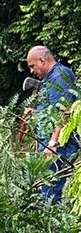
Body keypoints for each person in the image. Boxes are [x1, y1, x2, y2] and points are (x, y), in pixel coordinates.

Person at [26, 45, 79, 204]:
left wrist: (53, 142)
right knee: (46, 183)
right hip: (49, 142)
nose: (31, 71)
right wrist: (34, 113)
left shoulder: (60, 76)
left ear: (42, 60)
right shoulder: (49, 79)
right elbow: (50, 109)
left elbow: (64, 110)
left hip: (58, 145)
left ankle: (53, 224)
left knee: (52, 185)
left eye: (32, 66)